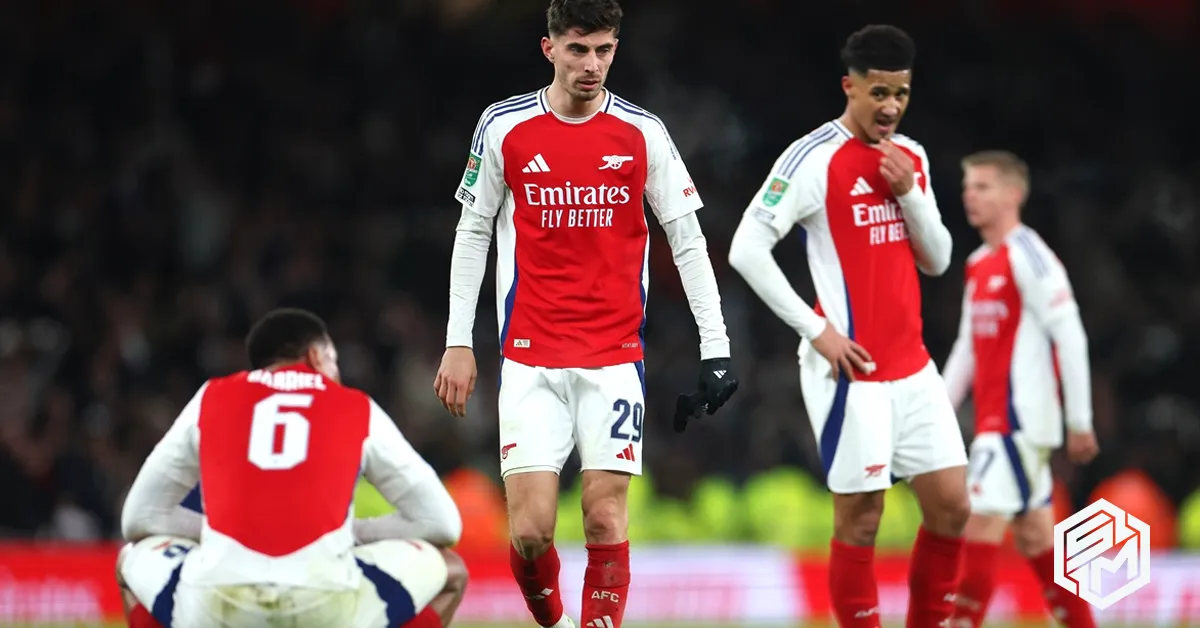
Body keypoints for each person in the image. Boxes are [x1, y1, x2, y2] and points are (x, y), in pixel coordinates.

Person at [432, 0, 738, 626]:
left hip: (614, 357)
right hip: (529, 358)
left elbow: (687, 239)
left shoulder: (643, 133)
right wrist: (457, 340)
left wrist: (717, 347)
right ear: (550, 49)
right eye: (578, 50)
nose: (591, 65)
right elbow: (472, 231)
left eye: (603, 50)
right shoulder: (503, 127)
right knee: (530, 534)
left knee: (604, 516)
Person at [727, 24, 969, 628]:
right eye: (879, 92)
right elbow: (745, 249)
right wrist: (816, 331)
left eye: (901, 93)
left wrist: (910, 195)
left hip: (913, 368)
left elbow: (938, 260)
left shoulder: (910, 158)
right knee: (861, 518)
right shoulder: (811, 159)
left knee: (952, 509)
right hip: (851, 373)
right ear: (850, 86)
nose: (890, 107)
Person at [116, 308, 468, 628]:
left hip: (217, 606)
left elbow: (138, 517)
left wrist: (213, 535)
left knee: (128, 561)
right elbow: (442, 523)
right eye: (334, 361)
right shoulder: (356, 406)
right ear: (316, 356)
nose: (337, 374)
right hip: (327, 607)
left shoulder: (211, 397)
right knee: (451, 572)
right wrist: (351, 533)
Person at [945, 151, 1099, 628]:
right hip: (998, 424)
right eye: (968, 186)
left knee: (978, 529)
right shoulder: (978, 263)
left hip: (1017, 424)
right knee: (1036, 539)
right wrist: (938, 414)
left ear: (1014, 194)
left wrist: (1079, 421)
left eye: (983, 186)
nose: (970, 196)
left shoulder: (1030, 256)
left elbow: (1070, 335)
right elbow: (967, 347)